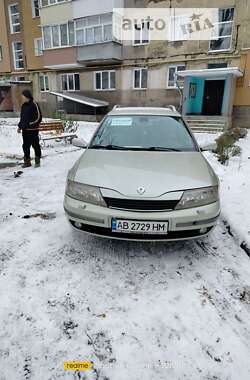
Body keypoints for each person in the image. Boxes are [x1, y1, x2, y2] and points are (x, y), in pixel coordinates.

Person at [17, 90, 42, 168]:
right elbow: (22, 118)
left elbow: (39, 118)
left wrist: (29, 124)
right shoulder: (23, 106)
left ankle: (37, 161)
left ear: (27, 96)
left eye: (23, 96)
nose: (22, 97)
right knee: (25, 146)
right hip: (25, 130)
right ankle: (27, 162)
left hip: (33, 130)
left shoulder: (34, 104)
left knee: (35, 145)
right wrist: (20, 126)